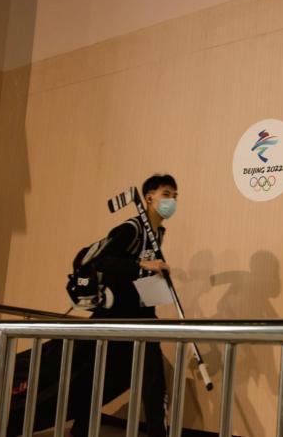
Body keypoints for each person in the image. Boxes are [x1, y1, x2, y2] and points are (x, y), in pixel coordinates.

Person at [69, 174, 178, 437]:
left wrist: (155, 282)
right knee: (96, 377)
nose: (172, 201)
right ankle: (80, 429)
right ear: (148, 197)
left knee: (153, 379)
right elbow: (100, 261)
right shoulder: (132, 228)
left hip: (140, 316)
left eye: (175, 196)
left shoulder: (157, 233)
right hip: (113, 315)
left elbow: (140, 276)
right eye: (166, 194)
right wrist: (142, 264)